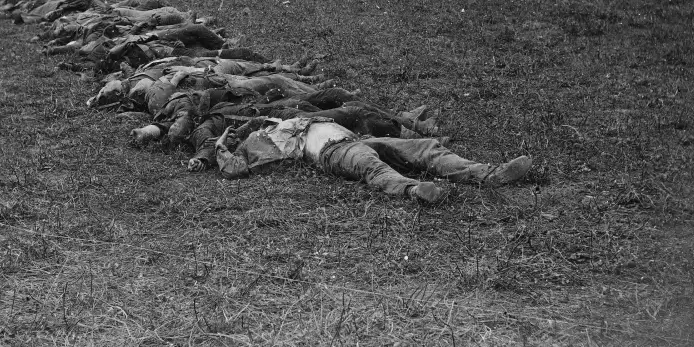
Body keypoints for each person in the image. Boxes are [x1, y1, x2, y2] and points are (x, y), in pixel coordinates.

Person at [186, 116, 532, 204]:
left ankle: (488, 175)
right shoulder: (254, 144)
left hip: (355, 138)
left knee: (424, 148)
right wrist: (221, 146)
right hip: (333, 153)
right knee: (371, 165)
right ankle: (414, 191)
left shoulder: (284, 120)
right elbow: (233, 170)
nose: (241, 130)